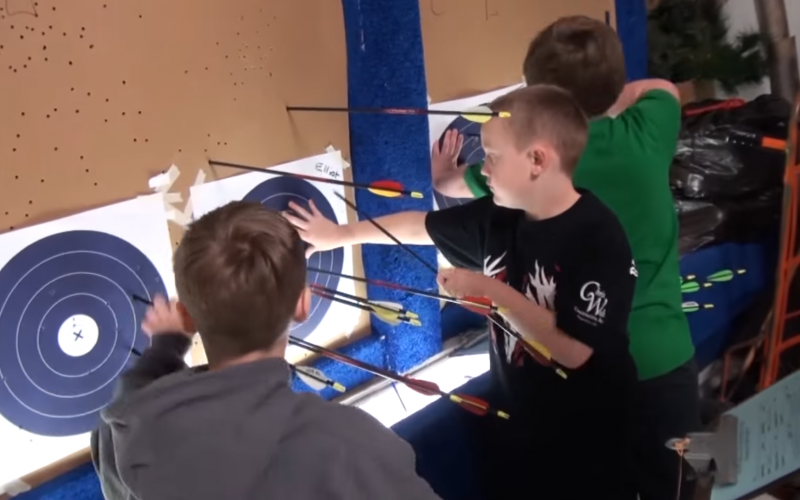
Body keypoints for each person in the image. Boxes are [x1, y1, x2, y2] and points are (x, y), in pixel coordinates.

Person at [287, 85, 639, 500]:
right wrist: (340, 235)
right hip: (520, 428)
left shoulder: (597, 236)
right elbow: (420, 226)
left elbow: (575, 352)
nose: (483, 170)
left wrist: (490, 291)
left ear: (538, 160)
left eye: (492, 157)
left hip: (587, 444)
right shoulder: (500, 216)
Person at [431, 16, 700, 500]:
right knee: (674, 487)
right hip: (666, 362)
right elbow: (661, 88)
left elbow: (453, 184)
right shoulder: (646, 132)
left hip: (590, 378)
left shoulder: (532, 163)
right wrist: (605, 94)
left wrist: (442, 173)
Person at [90, 202, 442, 500]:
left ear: (187, 317)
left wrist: (165, 351)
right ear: (303, 305)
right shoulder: (352, 443)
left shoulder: (129, 434)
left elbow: (134, 406)